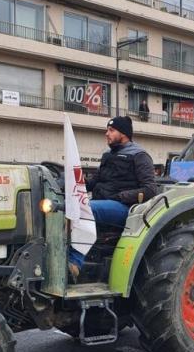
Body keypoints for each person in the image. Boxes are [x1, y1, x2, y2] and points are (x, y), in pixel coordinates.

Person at [68, 116, 158, 277]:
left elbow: (150, 189)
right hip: (102, 204)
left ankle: (74, 263)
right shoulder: (107, 156)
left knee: (85, 209)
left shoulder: (139, 155)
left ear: (123, 134)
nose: (106, 133)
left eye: (111, 130)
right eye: (107, 130)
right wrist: (70, 182)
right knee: (65, 206)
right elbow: (94, 182)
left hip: (124, 208)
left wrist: (121, 197)